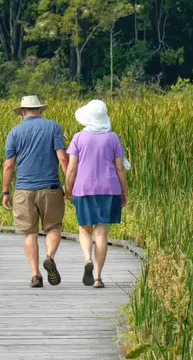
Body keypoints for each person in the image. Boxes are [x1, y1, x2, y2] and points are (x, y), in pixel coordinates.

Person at [2, 95, 69, 288]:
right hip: (51, 187)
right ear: (40, 110)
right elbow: (63, 158)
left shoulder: (14, 132)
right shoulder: (53, 127)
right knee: (53, 227)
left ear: (23, 112)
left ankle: (35, 275)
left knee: (29, 233)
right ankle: (50, 257)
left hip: (24, 190)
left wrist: (5, 192)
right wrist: (71, 184)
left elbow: (9, 165)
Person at [65, 100, 128, 289]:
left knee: (84, 229)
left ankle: (87, 259)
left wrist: (68, 188)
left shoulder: (78, 138)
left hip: (84, 189)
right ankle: (98, 277)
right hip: (109, 188)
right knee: (101, 232)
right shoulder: (112, 138)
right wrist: (124, 192)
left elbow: (72, 168)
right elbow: (120, 168)